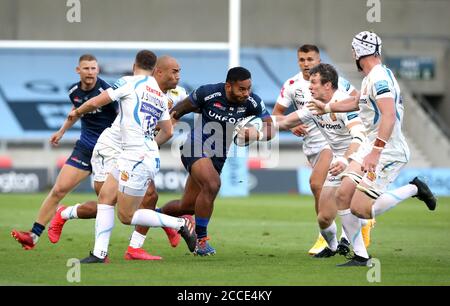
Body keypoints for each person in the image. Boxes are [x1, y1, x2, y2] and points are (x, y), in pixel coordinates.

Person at [308, 31, 437, 266]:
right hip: (370, 145)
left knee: (360, 208)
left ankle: (413, 189)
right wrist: (327, 107)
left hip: (388, 150)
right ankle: (360, 256)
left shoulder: (379, 79)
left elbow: (388, 116)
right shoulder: (371, 77)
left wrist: (375, 153)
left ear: (357, 52)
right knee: (343, 194)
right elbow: (357, 102)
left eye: (352, 51)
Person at [47, 56, 188, 261]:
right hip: (112, 146)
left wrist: (147, 146)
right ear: (158, 71)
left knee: (149, 196)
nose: (176, 76)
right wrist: (74, 116)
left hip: (135, 151)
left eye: (178, 72)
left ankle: (133, 248)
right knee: (108, 202)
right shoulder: (132, 84)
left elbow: (168, 128)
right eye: (173, 71)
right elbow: (103, 103)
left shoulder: (177, 94)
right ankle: (65, 214)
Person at [158, 66, 275, 256]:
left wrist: (258, 133)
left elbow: (271, 128)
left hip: (218, 156)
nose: (246, 93)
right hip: (194, 146)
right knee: (212, 184)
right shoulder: (208, 93)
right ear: (229, 86)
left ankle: (150, 216)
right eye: (241, 89)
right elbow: (178, 110)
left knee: (186, 206)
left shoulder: (252, 102)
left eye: (248, 88)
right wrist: (161, 131)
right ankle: (201, 241)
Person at [272, 44, 373, 255]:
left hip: (336, 144)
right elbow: (280, 115)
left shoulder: (335, 84)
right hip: (312, 141)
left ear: (319, 61)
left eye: (310, 59)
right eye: (302, 59)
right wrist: (266, 126)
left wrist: (344, 116)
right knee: (323, 194)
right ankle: (337, 230)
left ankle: (336, 236)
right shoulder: (292, 84)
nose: (306, 64)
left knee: (318, 184)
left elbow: (358, 103)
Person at [11, 54, 118, 250]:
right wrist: (61, 132)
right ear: (78, 70)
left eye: (93, 68)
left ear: (98, 70)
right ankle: (33, 236)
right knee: (58, 190)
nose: (90, 72)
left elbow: (122, 116)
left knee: (109, 203)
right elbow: (76, 111)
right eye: (86, 68)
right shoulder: (74, 92)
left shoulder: (107, 92)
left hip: (110, 151)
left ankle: (70, 217)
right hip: (86, 147)